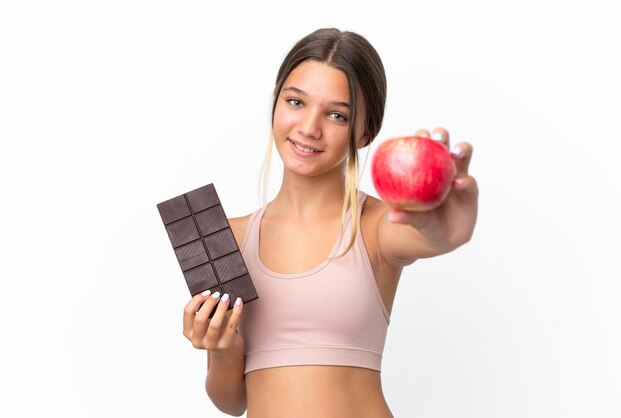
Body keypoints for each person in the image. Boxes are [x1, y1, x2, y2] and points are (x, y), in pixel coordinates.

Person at [182, 27, 478, 417]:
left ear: (364, 133)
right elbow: (233, 402)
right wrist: (224, 350)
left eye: (337, 114)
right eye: (295, 102)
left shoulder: (376, 227)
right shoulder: (224, 237)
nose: (309, 127)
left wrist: (448, 232)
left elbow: (427, 236)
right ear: (275, 104)